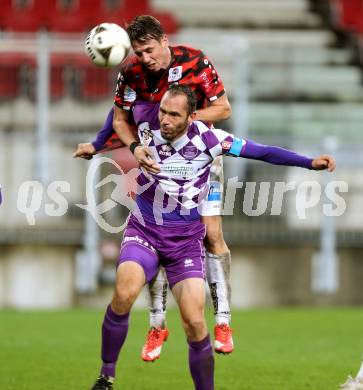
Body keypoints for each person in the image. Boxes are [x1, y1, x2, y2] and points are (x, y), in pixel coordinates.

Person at [89, 84, 335, 390]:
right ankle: (106, 376)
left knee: (194, 323)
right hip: (145, 229)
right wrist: (95, 145)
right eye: (162, 110)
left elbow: (263, 152)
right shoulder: (145, 126)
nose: (164, 119)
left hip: (186, 241)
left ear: (191, 117)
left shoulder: (210, 140)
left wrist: (308, 162)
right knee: (124, 293)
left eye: (173, 114)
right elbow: (118, 116)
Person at [74, 14, 235, 361]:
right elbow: (118, 116)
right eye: (138, 53)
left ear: (164, 40)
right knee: (157, 230)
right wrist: (100, 145)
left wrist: (183, 121)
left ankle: (223, 319)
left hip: (199, 159)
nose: (144, 59)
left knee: (211, 232)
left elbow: (223, 108)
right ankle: (157, 321)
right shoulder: (131, 73)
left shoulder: (195, 60)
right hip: (158, 162)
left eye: (148, 50)